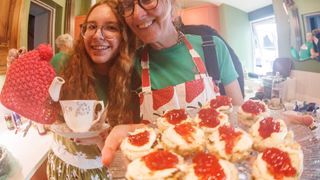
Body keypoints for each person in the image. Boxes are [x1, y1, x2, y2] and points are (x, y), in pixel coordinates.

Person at [102, 0, 244, 166]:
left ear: (171, 4)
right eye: (128, 6)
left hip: (214, 167)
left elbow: (238, 117)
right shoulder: (130, 67)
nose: (137, 14)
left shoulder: (211, 47)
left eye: (147, 1)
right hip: (162, 169)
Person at [46, 0, 136, 179]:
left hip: (104, 171)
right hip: (62, 166)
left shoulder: (134, 78)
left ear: (124, 35)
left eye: (110, 27)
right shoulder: (62, 63)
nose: (97, 35)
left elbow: (126, 157)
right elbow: (44, 109)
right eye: (91, 26)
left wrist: (100, 140)